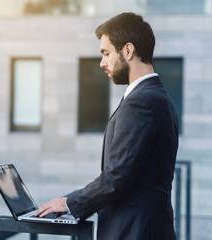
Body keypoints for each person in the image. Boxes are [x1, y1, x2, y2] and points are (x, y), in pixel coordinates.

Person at [35, 12, 179, 240]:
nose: (102, 62)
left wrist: (69, 203)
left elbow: (116, 177)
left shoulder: (141, 102)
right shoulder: (158, 96)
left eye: (106, 53)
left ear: (128, 50)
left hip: (135, 231)